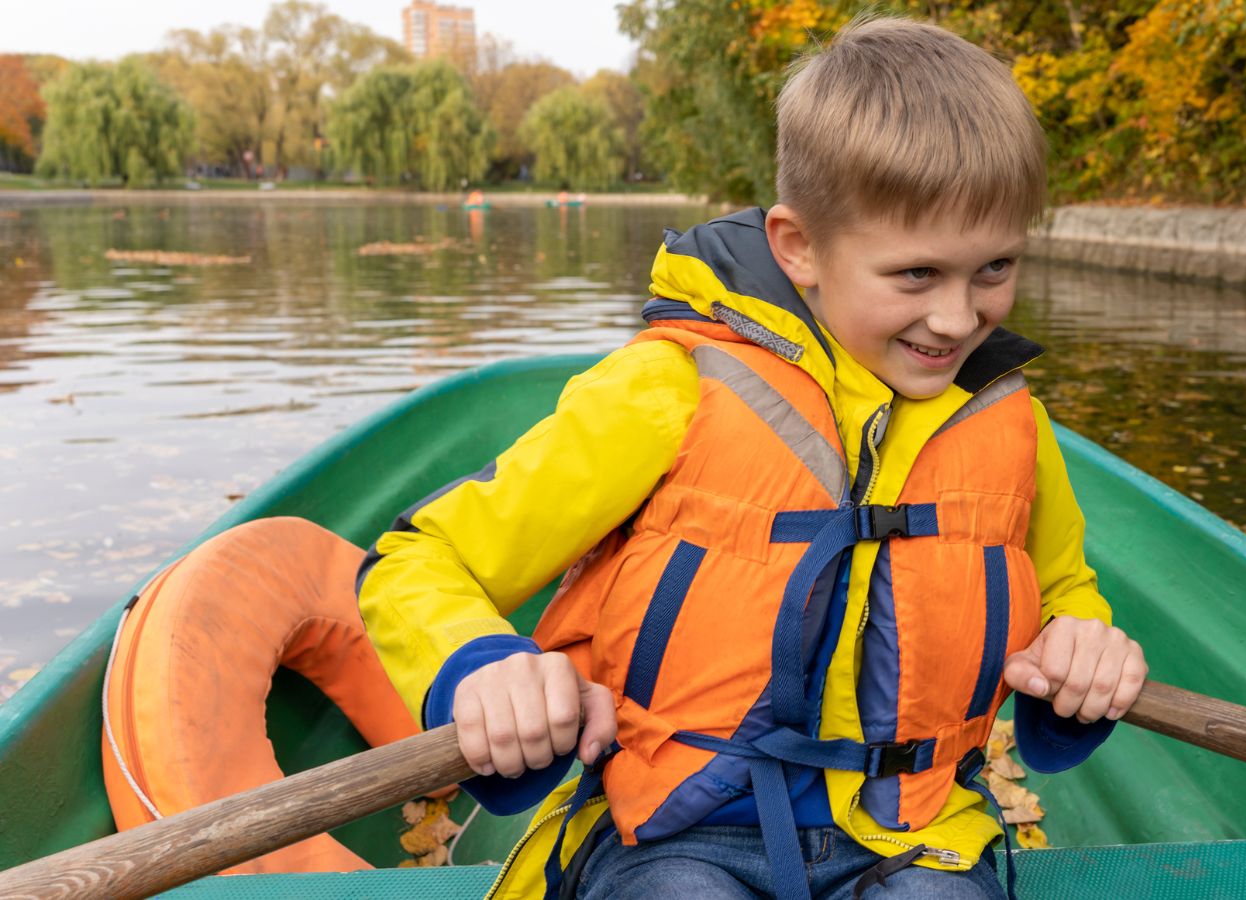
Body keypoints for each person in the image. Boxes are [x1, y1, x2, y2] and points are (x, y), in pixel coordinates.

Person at [358, 15, 1147, 900]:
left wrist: (1086, 650)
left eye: (994, 268)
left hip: (913, 834)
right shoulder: (671, 390)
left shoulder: (1009, 424)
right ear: (798, 246)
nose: (960, 319)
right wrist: (481, 670)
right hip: (672, 833)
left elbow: (1060, 593)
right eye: (917, 276)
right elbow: (421, 559)